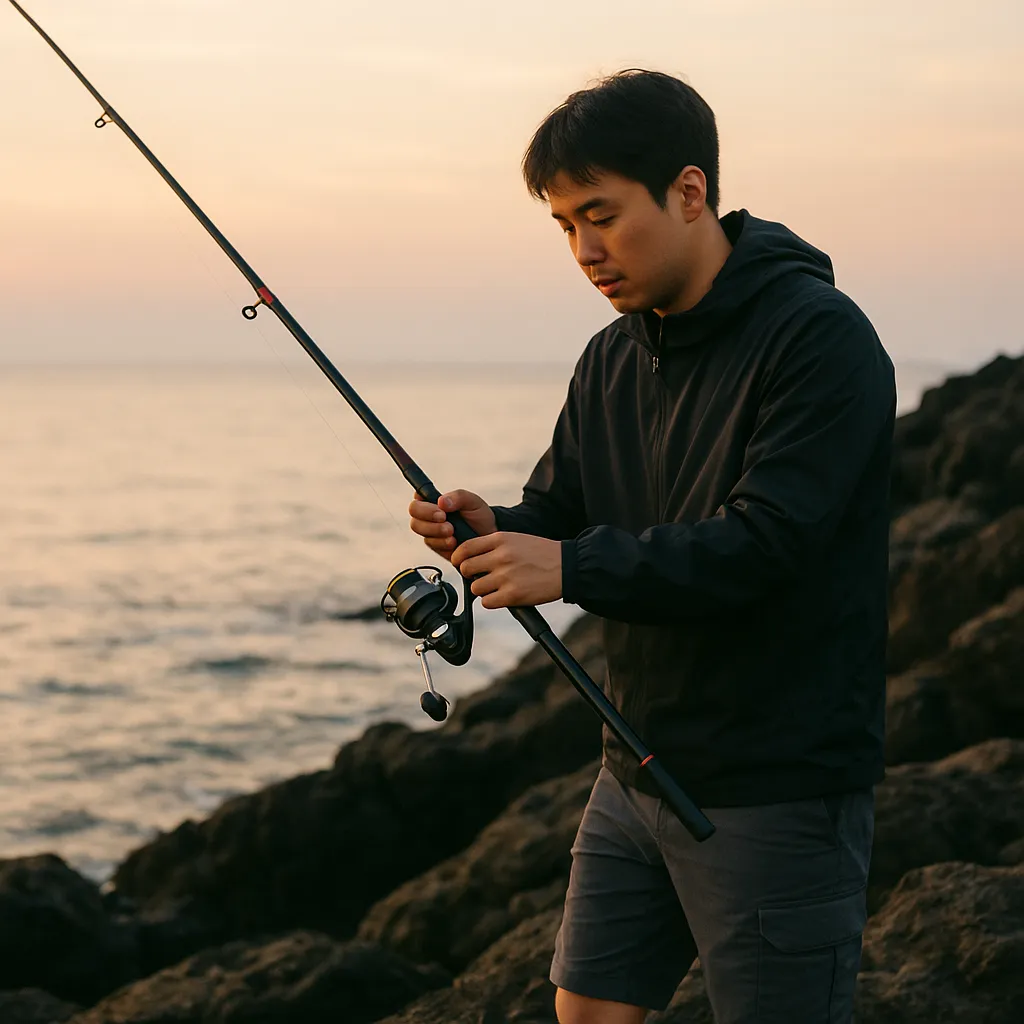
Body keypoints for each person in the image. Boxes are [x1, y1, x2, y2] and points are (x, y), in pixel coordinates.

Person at [409, 69, 895, 1024]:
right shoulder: (614, 354)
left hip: (776, 784)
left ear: (688, 191)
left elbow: (767, 546)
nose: (586, 250)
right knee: (584, 1011)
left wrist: (573, 568)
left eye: (602, 214)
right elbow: (562, 508)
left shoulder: (820, 340)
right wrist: (493, 527)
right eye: (563, 226)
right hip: (633, 766)